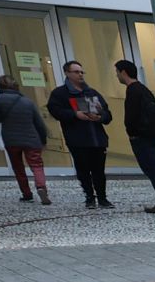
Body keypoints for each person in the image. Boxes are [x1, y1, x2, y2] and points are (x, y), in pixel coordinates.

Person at [114, 60, 155, 214]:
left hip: (141, 137)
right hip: (149, 135)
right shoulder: (142, 89)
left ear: (123, 72)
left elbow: (132, 117)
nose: (116, 76)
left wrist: (132, 132)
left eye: (117, 72)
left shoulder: (133, 91)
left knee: (152, 169)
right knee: (154, 169)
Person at [46, 61, 113, 209]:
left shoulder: (91, 92)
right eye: (76, 72)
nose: (80, 74)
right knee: (83, 170)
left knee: (99, 171)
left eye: (82, 72)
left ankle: (102, 197)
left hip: (97, 138)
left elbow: (107, 114)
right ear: (67, 73)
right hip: (78, 139)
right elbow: (55, 111)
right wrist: (75, 115)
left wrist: (100, 116)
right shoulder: (60, 94)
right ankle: (89, 197)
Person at [0, 76, 49, 205]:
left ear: (0, 86)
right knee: (36, 165)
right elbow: (39, 123)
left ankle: (27, 194)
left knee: (18, 166)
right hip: (31, 139)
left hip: (11, 139)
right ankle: (41, 187)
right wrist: (43, 140)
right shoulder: (27, 101)